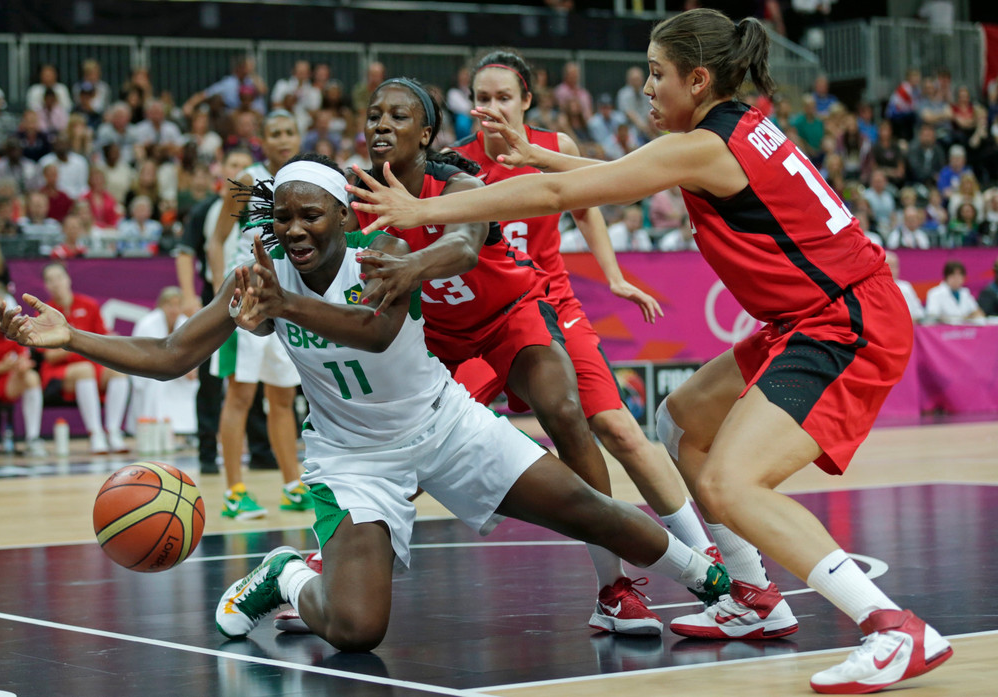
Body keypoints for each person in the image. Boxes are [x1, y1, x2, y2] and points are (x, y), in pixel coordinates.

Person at [349, 9, 953, 693]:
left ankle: (891, 626)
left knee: (731, 482)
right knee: (681, 421)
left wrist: (424, 211)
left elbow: (564, 193)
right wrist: (539, 155)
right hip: (807, 315)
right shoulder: (727, 132)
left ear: (697, 80)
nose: (645, 87)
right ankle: (754, 597)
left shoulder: (704, 145)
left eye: (656, 73)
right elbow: (621, 173)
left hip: (845, 319)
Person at [0, 153, 728, 651]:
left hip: (445, 426)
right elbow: (170, 354)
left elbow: (375, 332)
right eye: (284, 216)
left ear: (344, 217)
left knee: (588, 508)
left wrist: (284, 305)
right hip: (352, 458)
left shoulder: (385, 256)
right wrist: (72, 337)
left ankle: (717, 583)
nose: (294, 229)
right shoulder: (259, 274)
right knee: (356, 629)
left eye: (311, 215)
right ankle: (287, 574)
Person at [350, 77, 719, 635]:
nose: (381, 124)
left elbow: (463, 246)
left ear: (425, 133)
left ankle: (614, 588)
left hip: (511, 314)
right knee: (405, 457)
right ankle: (326, 570)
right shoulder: (353, 194)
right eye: (374, 114)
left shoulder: (457, 182)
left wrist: (408, 266)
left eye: (397, 116)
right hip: (441, 342)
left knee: (567, 411)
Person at [449, 51, 717, 568]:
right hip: (484, 321)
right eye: (482, 98)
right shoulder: (454, 164)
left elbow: (587, 209)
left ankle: (705, 553)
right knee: (421, 433)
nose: (492, 108)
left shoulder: (555, 148)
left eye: (504, 97)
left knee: (620, 430)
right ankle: (335, 552)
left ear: (526, 100)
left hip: (551, 304)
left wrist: (613, 276)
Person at [206, 110, 309, 519]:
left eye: (289, 131)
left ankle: (292, 485)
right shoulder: (247, 180)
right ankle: (234, 492)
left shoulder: (303, 180)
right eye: (275, 133)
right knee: (240, 396)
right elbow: (216, 241)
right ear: (262, 141)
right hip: (244, 300)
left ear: (298, 136)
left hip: (281, 300)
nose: (283, 139)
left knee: (282, 398)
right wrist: (221, 297)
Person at [39, 262, 130, 453]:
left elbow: (102, 342)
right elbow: (50, 356)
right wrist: (78, 345)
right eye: (50, 280)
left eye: (59, 277)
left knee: (118, 372)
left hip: (92, 365)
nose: (56, 283)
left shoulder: (89, 305)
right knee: (85, 370)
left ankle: (113, 431)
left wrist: (107, 340)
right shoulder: (44, 312)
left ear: (68, 279)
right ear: (45, 285)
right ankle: (95, 433)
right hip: (59, 372)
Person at [0, 288, 46, 459]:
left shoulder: (14, 326)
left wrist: (22, 366)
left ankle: (33, 439)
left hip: (7, 385)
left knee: (31, 377)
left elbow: (24, 359)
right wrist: (4, 366)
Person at [128, 287, 198, 436]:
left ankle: (186, 430)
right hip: (150, 373)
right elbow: (141, 354)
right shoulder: (147, 324)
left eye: (178, 305)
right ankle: (156, 428)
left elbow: (193, 353)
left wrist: (191, 368)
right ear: (161, 305)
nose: (174, 309)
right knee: (158, 383)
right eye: (170, 305)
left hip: (179, 374)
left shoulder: (187, 324)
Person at [884, 251, 924, 322]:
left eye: (895, 266)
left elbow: (919, 313)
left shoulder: (906, 287)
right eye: (889, 266)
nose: (893, 270)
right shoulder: (874, 288)